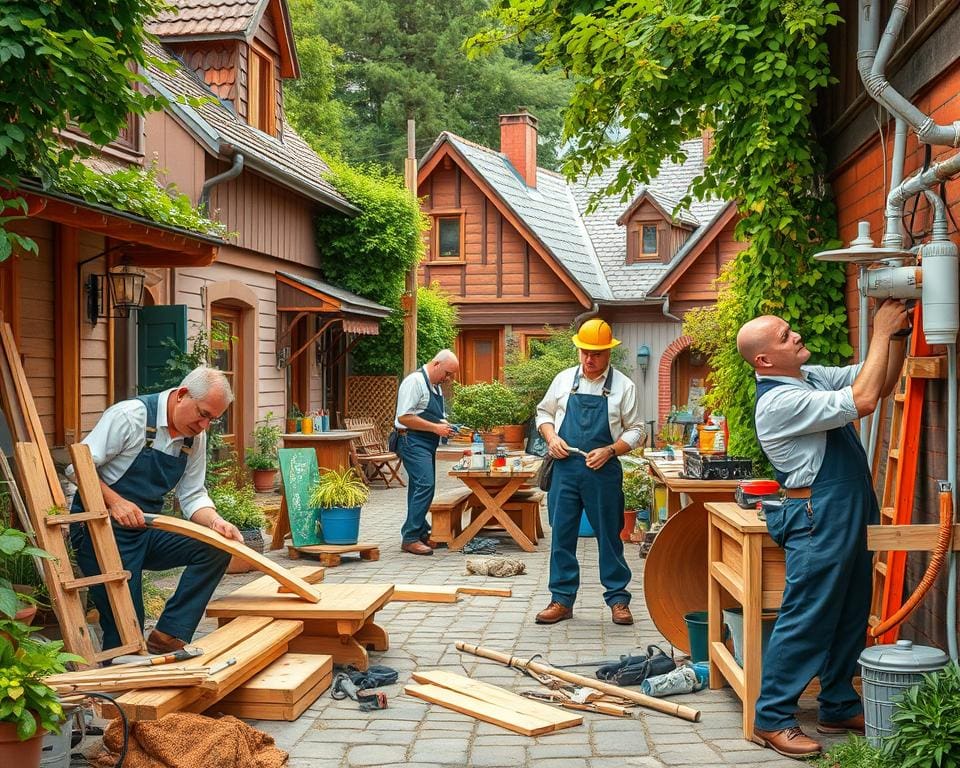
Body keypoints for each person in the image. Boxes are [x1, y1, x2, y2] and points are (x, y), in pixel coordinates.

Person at [736, 299, 909, 758]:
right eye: (784, 335)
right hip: (818, 515)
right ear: (765, 360)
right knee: (807, 618)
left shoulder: (807, 377)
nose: (795, 335)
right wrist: (878, 329)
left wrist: (896, 336)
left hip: (848, 506)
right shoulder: (780, 401)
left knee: (853, 609)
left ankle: (837, 702)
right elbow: (865, 401)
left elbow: (880, 380)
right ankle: (771, 718)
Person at [67, 366, 243, 654]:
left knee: (214, 547)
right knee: (127, 624)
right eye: (203, 414)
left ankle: (169, 634)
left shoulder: (194, 438)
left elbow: (193, 494)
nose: (204, 426)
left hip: (145, 529)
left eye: (213, 419)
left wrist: (215, 522)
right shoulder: (130, 416)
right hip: (97, 530)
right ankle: (117, 685)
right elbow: (77, 467)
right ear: (182, 395)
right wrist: (115, 501)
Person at [534, 318, 645, 625]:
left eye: (596, 353)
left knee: (610, 536)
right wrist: (552, 437)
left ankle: (619, 600)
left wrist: (611, 450)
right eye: (584, 352)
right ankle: (561, 600)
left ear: (609, 353)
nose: (589, 358)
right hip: (565, 469)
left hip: (604, 471)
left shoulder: (624, 386)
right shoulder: (563, 380)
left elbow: (637, 431)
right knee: (562, 536)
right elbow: (543, 413)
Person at [394, 349, 459, 555]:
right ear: (436, 364)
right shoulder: (415, 382)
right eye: (447, 373)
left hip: (425, 442)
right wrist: (435, 428)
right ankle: (410, 537)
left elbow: (429, 414)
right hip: (410, 440)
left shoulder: (434, 386)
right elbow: (404, 417)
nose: (447, 379)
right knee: (425, 484)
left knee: (419, 487)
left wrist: (445, 425)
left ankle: (420, 531)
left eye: (450, 375)